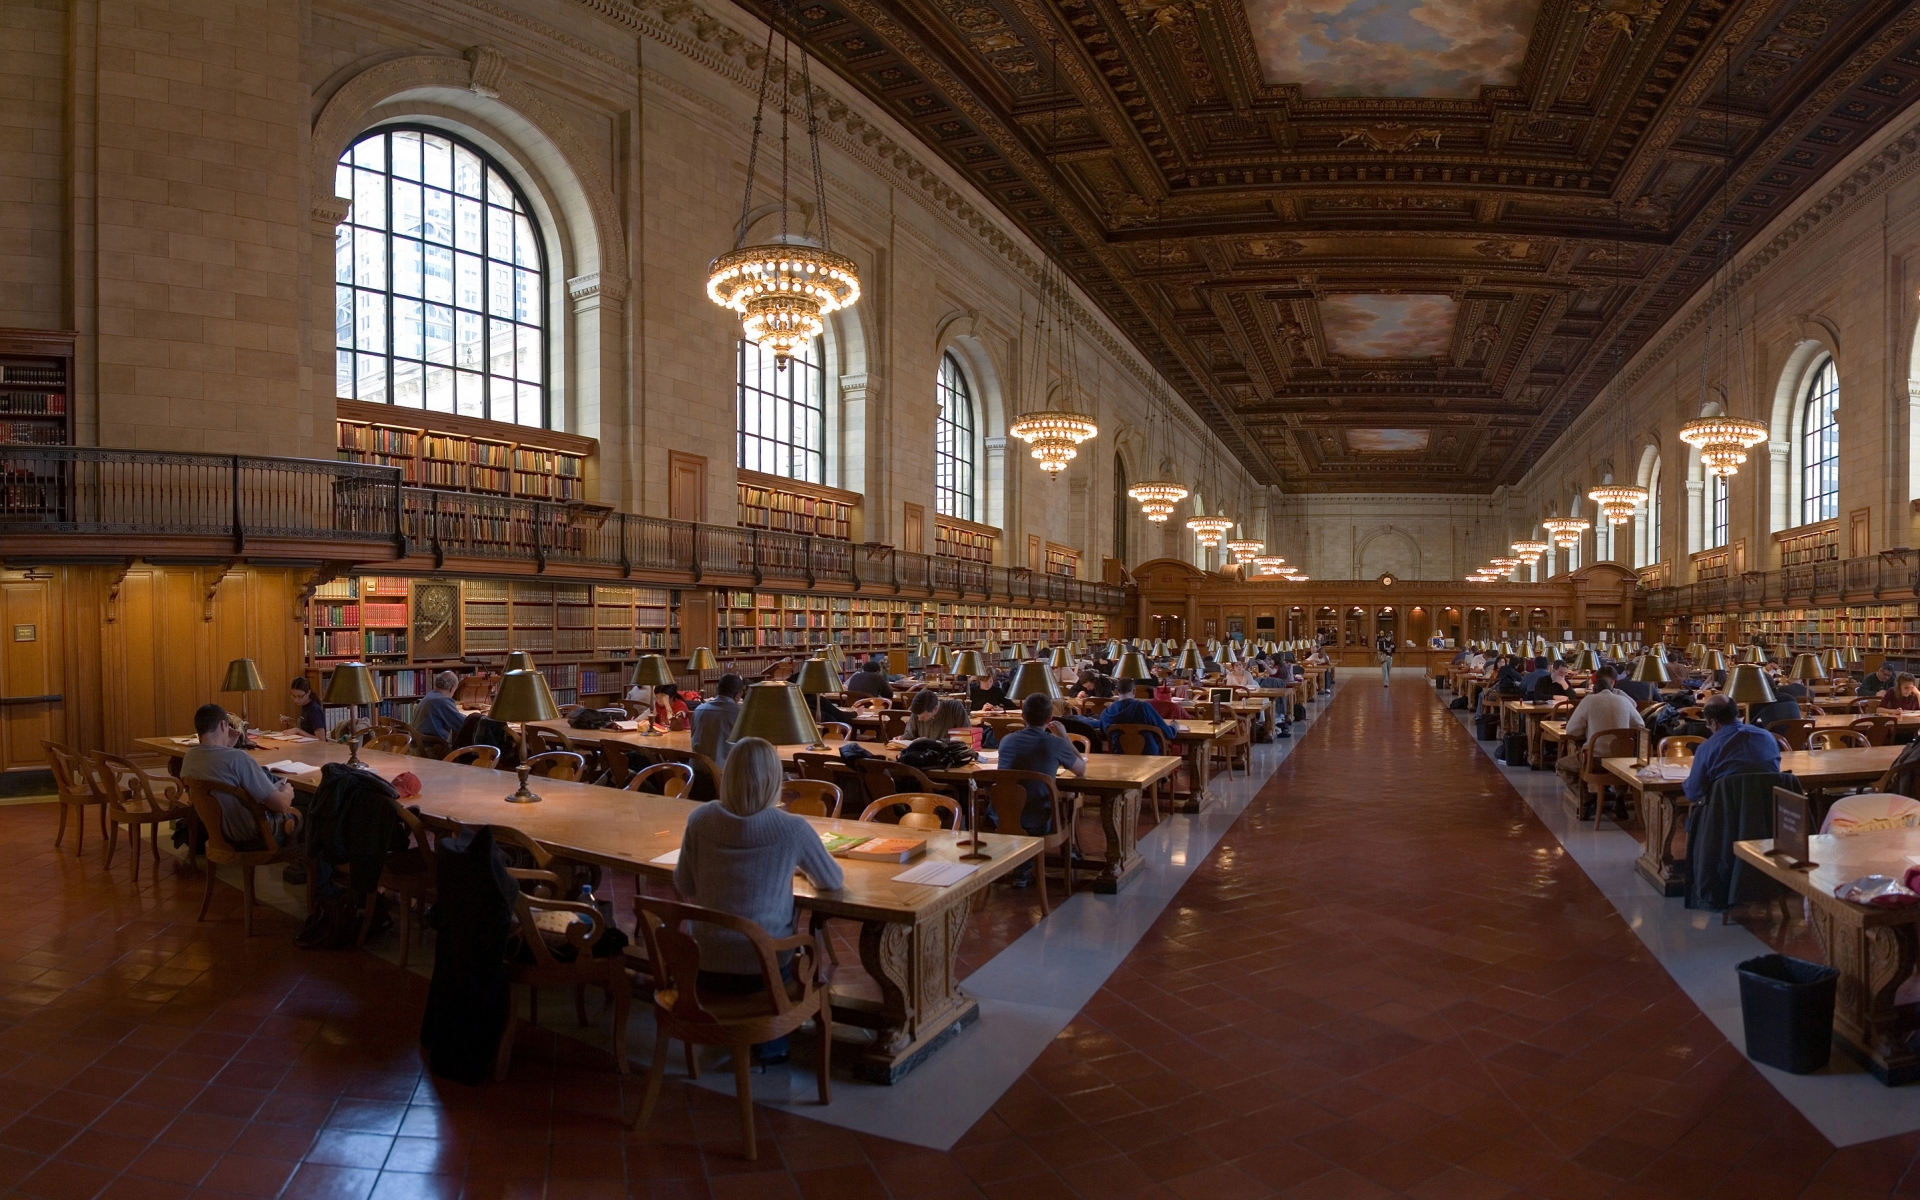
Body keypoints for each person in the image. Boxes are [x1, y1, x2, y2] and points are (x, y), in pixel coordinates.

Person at [672, 738, 844, 1065]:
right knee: (801, 952)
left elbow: (684, 883)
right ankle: (772, 1040)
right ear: (775, 780)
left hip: (703, 963)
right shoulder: (792, 829)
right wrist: (791, 869)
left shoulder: (700, 819)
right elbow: (832, 881)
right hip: (763, 970)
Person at [182, 703, 302, 849]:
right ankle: (300, 867)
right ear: (222, 725)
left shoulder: (189, 758)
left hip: (216, 834)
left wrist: (226, 747)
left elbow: (215, 761)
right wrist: (286, 792)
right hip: (253, 838)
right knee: (305, 811)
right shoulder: (238, 759)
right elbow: (281, 805)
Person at [994, 692, 1087, 836]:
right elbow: (1081, 769)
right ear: (1050, 718)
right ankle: (1070, 852)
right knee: (1067, 805)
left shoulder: (1006, 740)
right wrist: (1065, 737)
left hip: (1002, 817)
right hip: (1038, 820)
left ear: (1023, 716)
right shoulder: (1056, 743)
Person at [1683, 695, 1782, 805]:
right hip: (1769, 811)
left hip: (1724, 816)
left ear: (1713, 723)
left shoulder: (1707, 747)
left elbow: (1693, 793)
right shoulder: (1767, 737)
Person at [1563, 667, 1645, 743]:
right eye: (1605, 681)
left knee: (1567, 757)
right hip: (1622, 753)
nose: (1607, 685)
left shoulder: (1589, 699)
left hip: (1594, 753)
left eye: (1610, 682)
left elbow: (1572, 730)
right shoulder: (1624, 700)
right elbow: (1640, 724)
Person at [1097, 678, 1178, 754]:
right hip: (1149, 755)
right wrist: (1174, 726)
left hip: (1119, 755)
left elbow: (1104, 734)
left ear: (1116, 692)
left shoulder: (1106, 712)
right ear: (1134, 691)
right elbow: (1168, 733)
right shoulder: (1144, 707)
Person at [691, 673, 744, 765]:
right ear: (738, 695)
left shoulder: (699, 709)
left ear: (717, 690)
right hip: (723, 774)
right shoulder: (740, 713)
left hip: (696, 771)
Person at [413, 671, 465, 743]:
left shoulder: (429, 696)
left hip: (418, 745)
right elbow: (462, 723)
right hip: (431, 748)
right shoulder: (442, 701)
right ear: (452, 688)